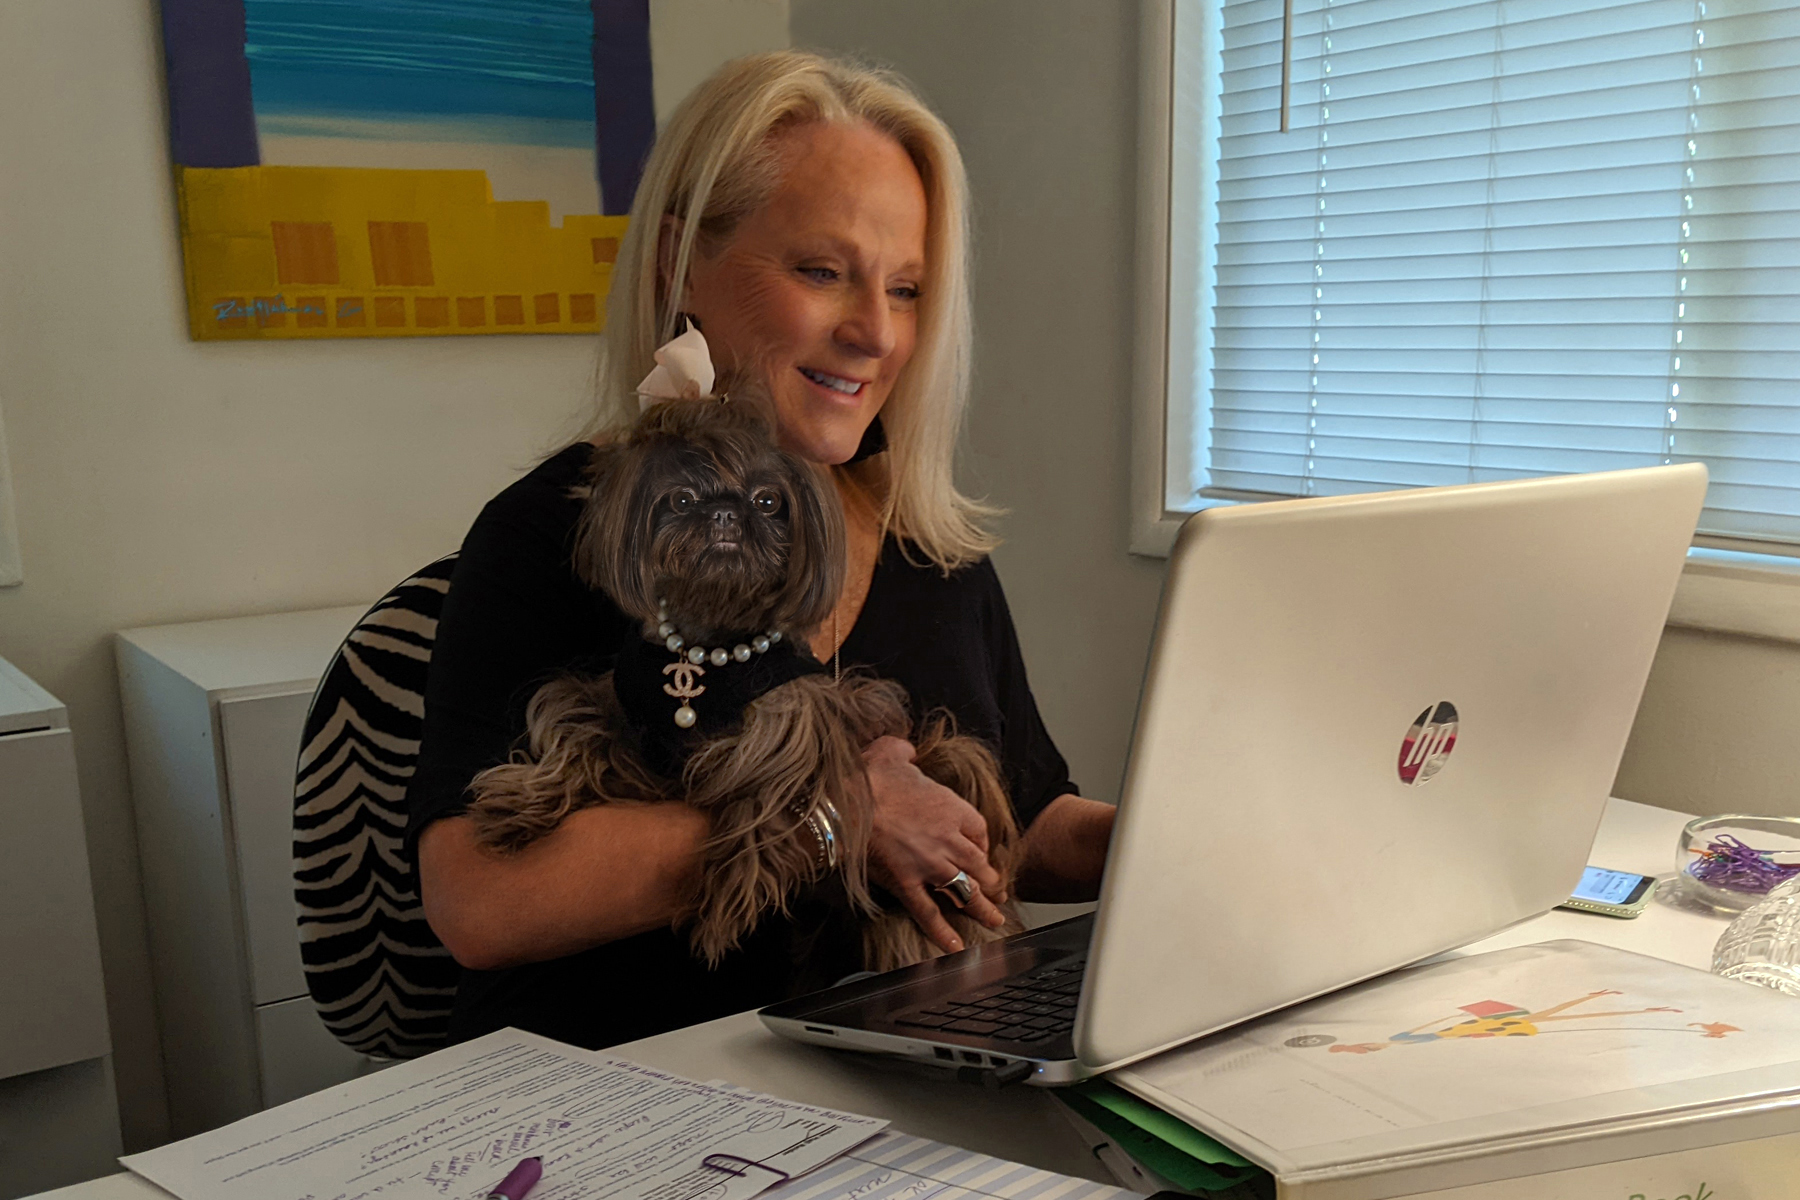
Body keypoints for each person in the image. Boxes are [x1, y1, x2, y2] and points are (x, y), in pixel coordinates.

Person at [409, 50, 1116, 1050]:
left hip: (894, 1070)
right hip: (626, 1089)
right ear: (679, 264)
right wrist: (834, 818)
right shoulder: (555, 533)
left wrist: (1175, 841)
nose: (877, 333)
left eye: (907, 289)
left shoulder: (927, 546)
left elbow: (1023, 824)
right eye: (823, 273)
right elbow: (480, 904)